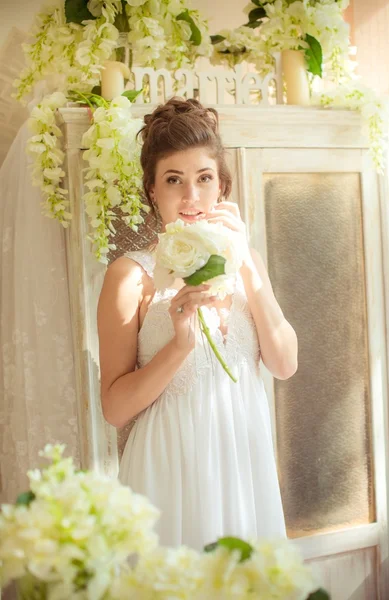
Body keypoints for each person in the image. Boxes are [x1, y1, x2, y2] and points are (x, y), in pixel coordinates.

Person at [97, 97, 298, 550]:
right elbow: (114, 409)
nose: (191, 197)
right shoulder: (131, 277)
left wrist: (245, 263)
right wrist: (179, 346)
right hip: (170, 466)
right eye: (174, 181)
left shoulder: (250, 261)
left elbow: (284, 363)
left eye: (204, 179)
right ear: (152, 190)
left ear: (221, 186)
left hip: (244, 461)